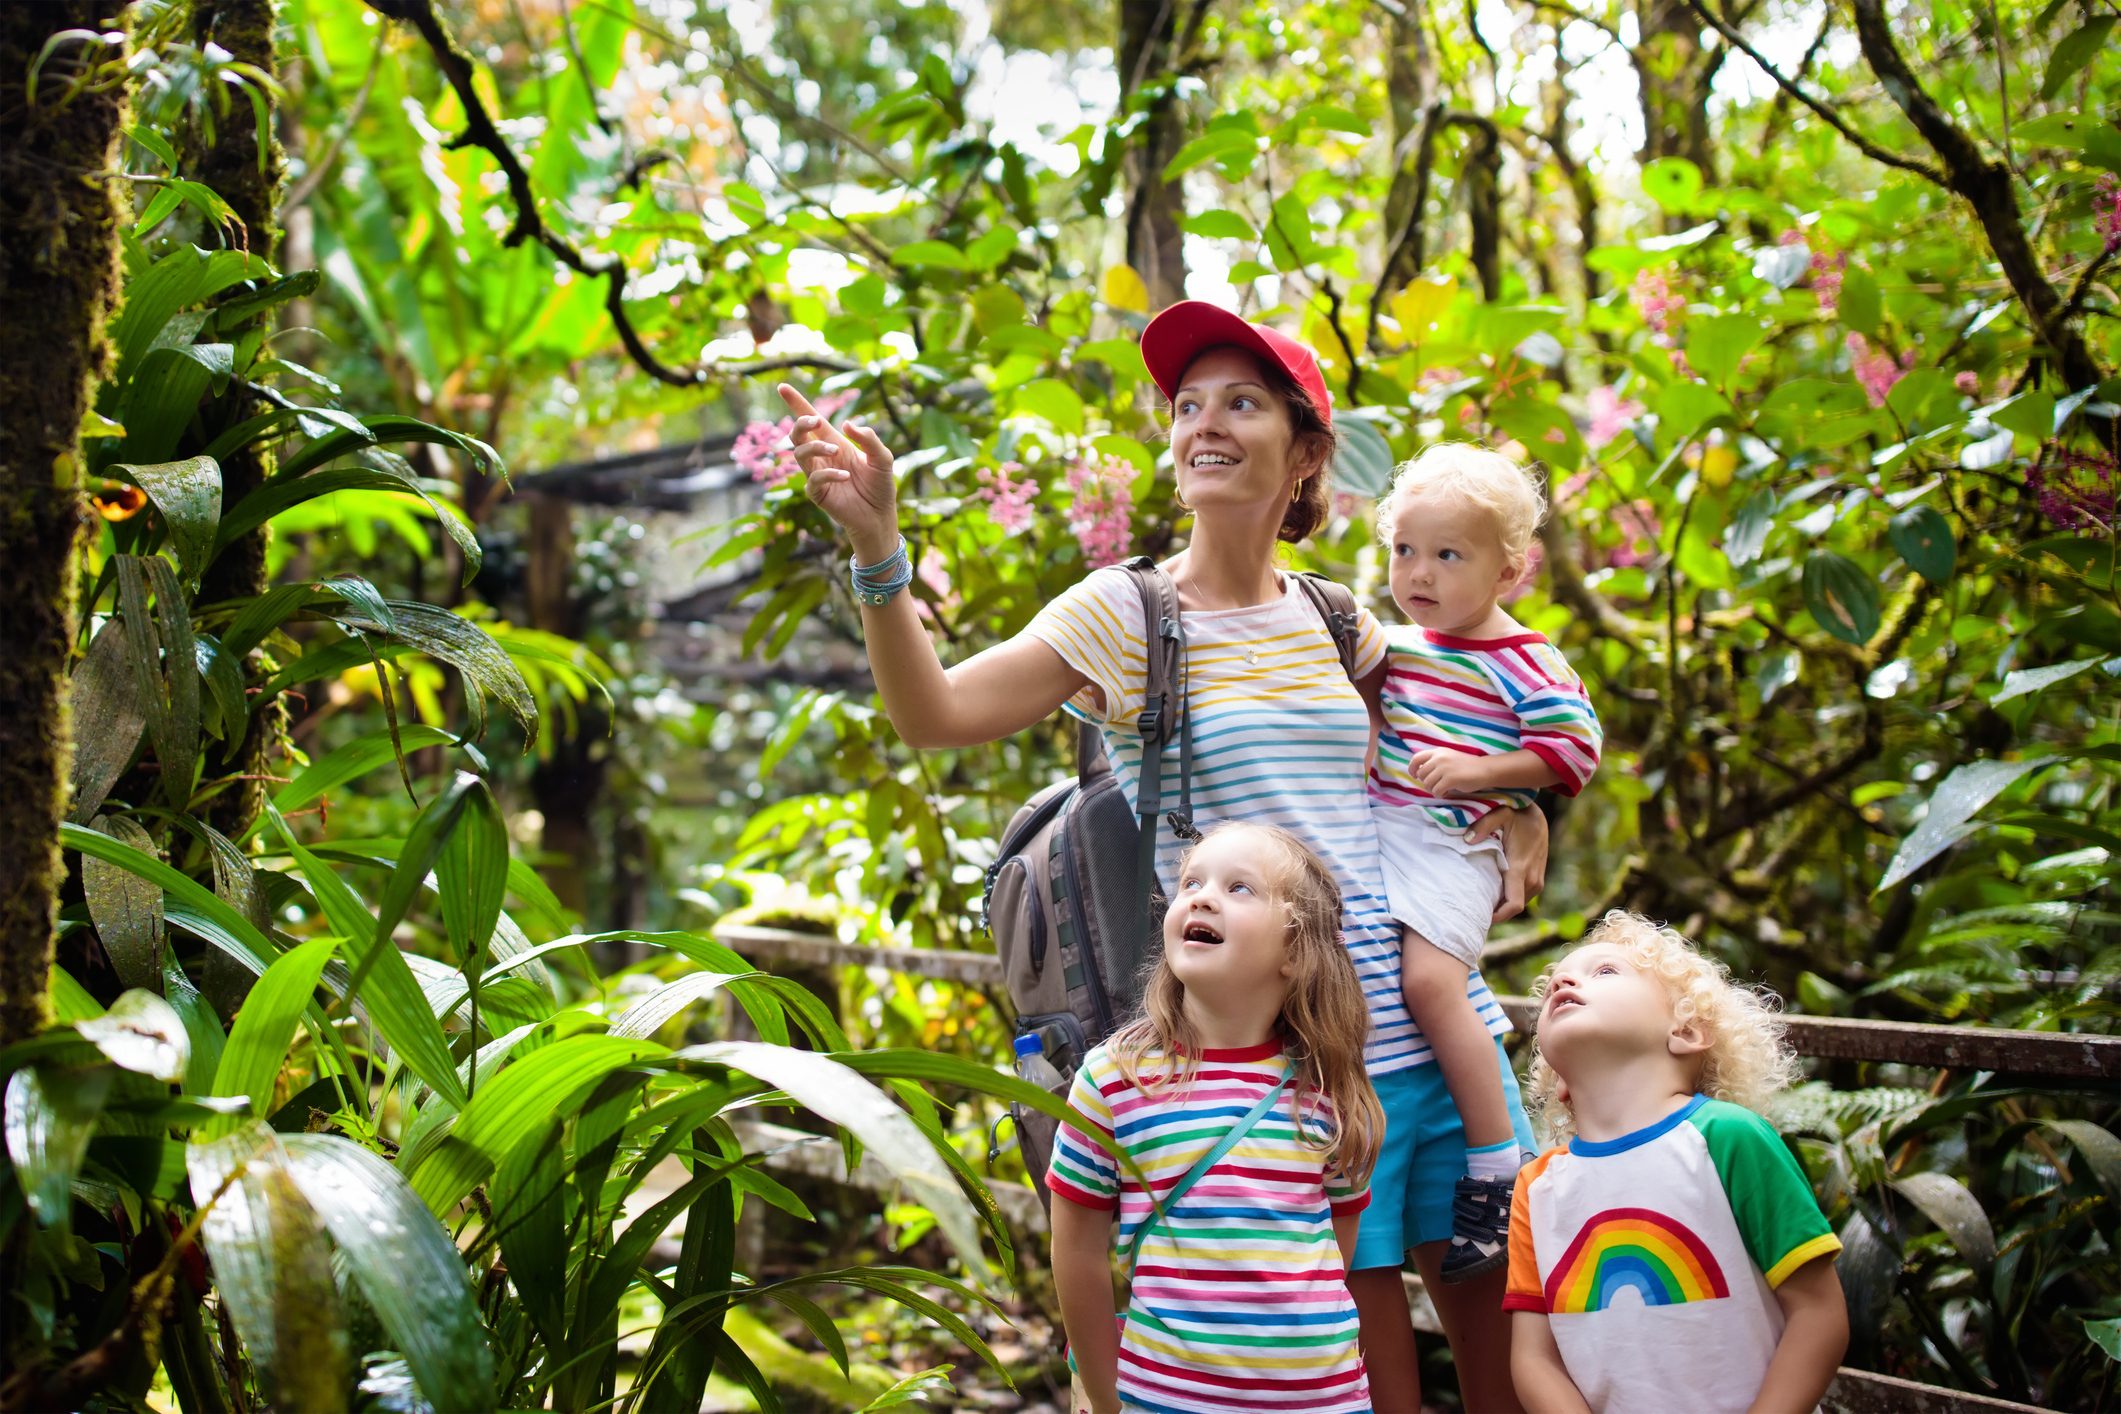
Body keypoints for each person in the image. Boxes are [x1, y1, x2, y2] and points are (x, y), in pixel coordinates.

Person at [777, 298, 1547, 1411]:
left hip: (1439, 1027)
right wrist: (878, 550)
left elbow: (1461, 743)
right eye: (1188, 406)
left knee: (1507, 1365)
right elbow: (935, 713)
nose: (1205, 423)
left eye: (1241, 401)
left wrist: (1527, 811)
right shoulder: (1126, 612)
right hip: (1308, 1066)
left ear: (1306, 450)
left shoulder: (1339, 619)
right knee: (1365, 1387)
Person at [1047, 822, 1384, 1414]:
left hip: (1323, 1399)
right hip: (1164, 1398)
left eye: (1240, 888)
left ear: (1295, 952)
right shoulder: (1113, 1079)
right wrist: (1106, 1399)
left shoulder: (1325, 1086)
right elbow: (1075, 1252)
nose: (1201, 896)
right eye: (1191, 883)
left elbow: (1335, 1246)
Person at [1366, 445, 1603, 1284]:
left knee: (1431, 984)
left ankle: (1494, 1164)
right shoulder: (1397, 643)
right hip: (1390, 835)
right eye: (1404, 551)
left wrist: (1489, 779)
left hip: (1455, 842)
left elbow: (1573, 748)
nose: (1418, 573)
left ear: (1508, 573)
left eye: (1447, 555)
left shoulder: (1522, 659)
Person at [1506, 912, 1848, 1414]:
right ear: (1556, 1079)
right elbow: (1534, 1358)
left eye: (1605, 971)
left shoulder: (1728, 1138)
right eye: (1559, 978)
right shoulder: (1536, 1188)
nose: (1563, 979)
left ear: (1685, 1030)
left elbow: (1819, 1314)